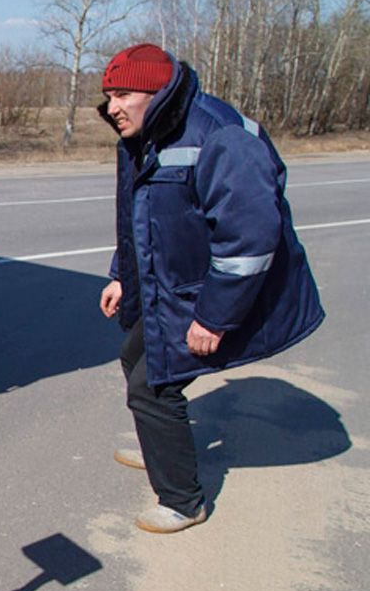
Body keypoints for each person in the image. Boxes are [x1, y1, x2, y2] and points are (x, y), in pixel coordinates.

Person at [97, 43, 324, 533]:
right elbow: (141, 220)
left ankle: (183, 501)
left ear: (156, 92)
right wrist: (121, 273)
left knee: (152, 387)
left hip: (211, 295)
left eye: (121, 95)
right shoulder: (147, 133)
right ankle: (161, 448)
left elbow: (251, 239)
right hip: (174, 288)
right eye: (107, 96)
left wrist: (216, 317)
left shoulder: (219, 136)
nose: (111, 108)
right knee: (135, 359)